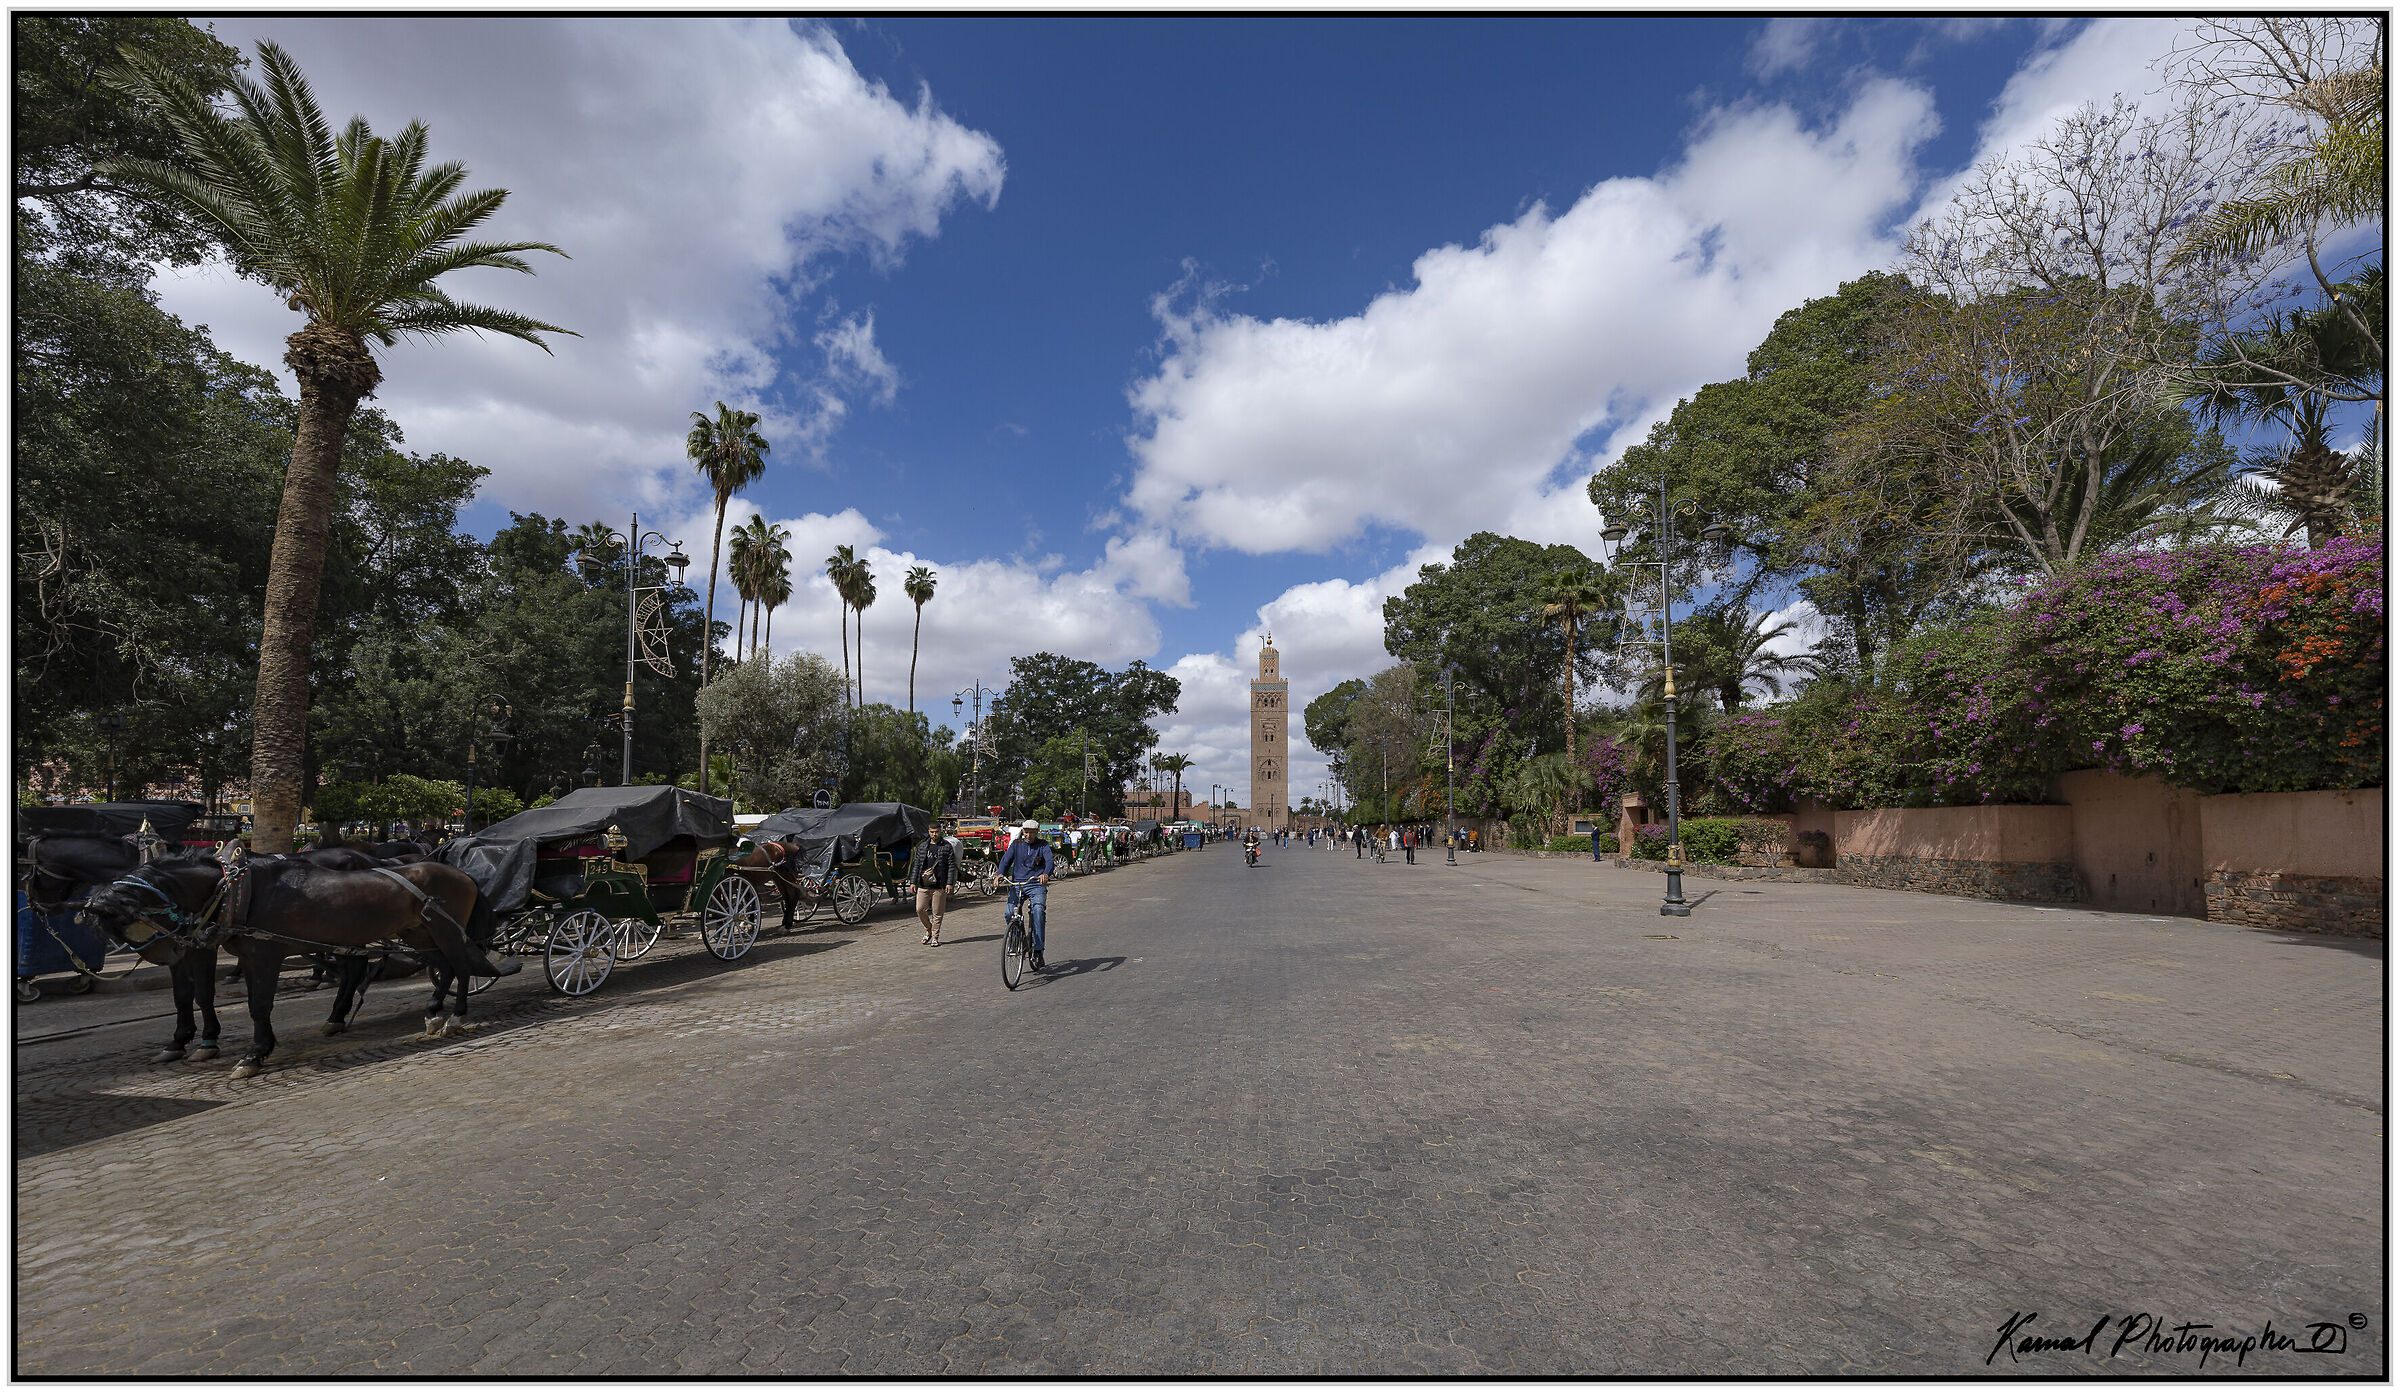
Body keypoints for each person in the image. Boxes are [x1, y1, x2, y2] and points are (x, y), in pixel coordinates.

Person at [995, 818, 1054, 969]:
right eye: (1026, 832)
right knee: (1009, 913)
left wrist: (1045, 874)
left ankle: (1038, 949)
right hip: (1018, 884)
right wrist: (1000, 874)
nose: (1029, 835)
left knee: (1038, 910)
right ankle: (1015, 940)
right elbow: (1005, 860)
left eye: (1032, 832)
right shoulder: (1016, 845)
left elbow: (1050, 861)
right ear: (1022, 832)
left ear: (1037, 832)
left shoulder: (1043, 845)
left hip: (1036, 884)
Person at [907, 821, 957, 947]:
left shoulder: (946, 846)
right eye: (932, 832)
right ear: (928, 832)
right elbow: (916, 865)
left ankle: (935, 936)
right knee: (920, 909)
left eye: (937, 832)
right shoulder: (923, 846)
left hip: (939, 885)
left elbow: (951, 866)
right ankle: (928, 929)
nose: (934, 834)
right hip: (924, 885)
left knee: (937, 912)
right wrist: (913, 882)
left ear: (940, 831)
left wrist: (949, 883)